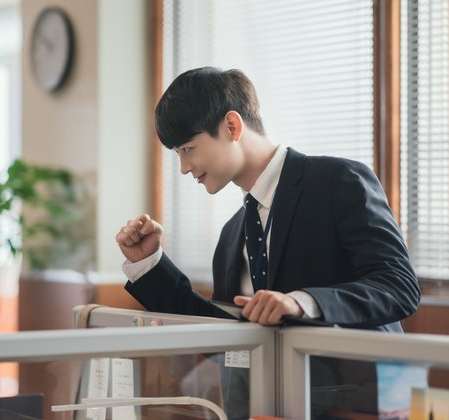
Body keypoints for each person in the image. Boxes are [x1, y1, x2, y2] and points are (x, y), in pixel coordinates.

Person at [115, 66, 420, 333]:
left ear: (232, 126)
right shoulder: (232, 235)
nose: (183, 168)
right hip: (272, 395)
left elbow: (398, 286)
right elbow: (225, 335)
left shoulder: (339, 181)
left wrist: (302, 303)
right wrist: (149, 265)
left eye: (188, 148)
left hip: (361, 394)